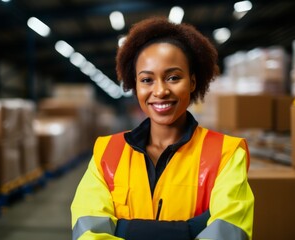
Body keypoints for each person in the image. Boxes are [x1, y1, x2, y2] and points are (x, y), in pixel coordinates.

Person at [71, 17, 254, 240]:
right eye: (147, 80)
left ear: (193, 82)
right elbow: (88, 233)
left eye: (173, 77)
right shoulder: (106, 152)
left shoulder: (227, 153)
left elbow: (229, 233)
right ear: (135, 85)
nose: (160, 91)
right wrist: (189, 230)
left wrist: (124, 228)